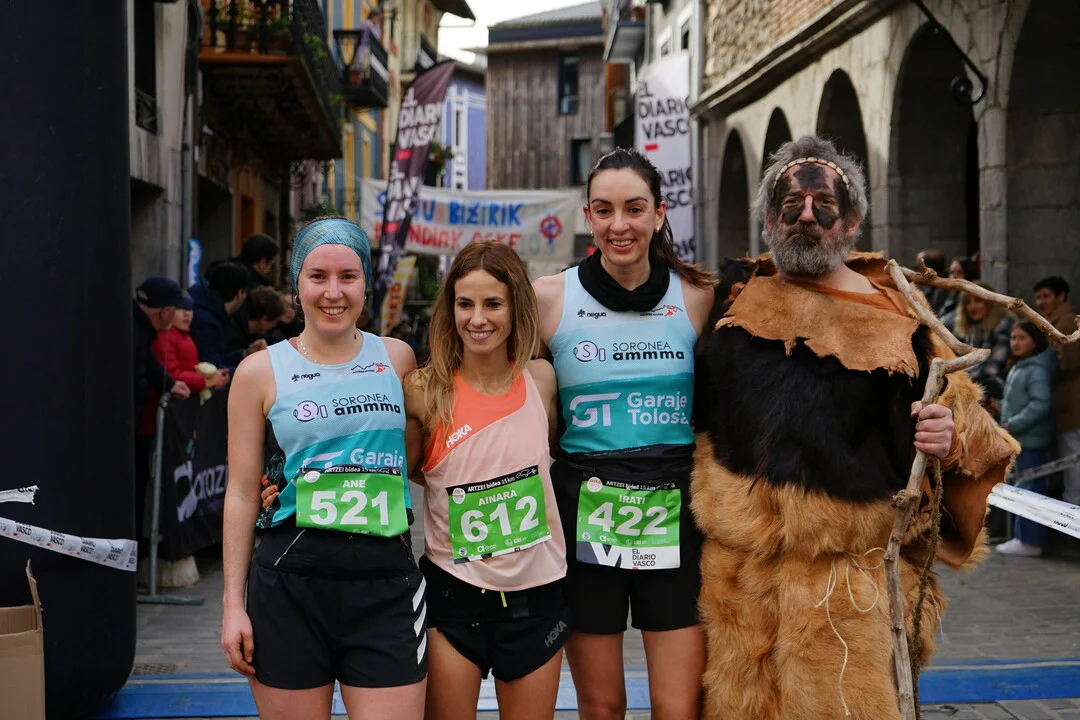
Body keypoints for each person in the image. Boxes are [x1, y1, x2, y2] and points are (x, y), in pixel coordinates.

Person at [692, 135, 1017, 719]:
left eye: (824, 206)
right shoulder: (730, 302)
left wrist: (944, 437)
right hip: (737, 589)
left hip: (847, 593)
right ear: (768, 221)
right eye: (790, 206)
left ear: (851, 223)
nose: (806, 216)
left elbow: (974, 441)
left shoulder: (901, 319)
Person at [533, 147, 715, 720]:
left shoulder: (698, 296)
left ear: (659, 214)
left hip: (676, 514)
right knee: (602, 705)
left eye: (634, 209)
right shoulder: (548, 298)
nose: (620, 225)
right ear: (588, 216)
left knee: (677, 706)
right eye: (605, 210)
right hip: (585, 511)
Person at [221, 217, 425, 720]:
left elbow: (418, 461)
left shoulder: (398, 358)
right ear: (296, 286)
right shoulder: (258, 371)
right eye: (317, 277)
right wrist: (232, 605)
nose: (333, 292)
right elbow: (242, 492)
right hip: (290, 584)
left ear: (365, 283)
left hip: (385, 583)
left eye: (348, 276)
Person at [402, 241, 567, 720]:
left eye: (493, 304)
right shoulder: (423, 390)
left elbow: (548, 456)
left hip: (538, 594)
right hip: (453, 594)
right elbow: (405, 470)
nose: (477, 319)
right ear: (449, 307)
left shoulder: (542, 380)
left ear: (516, 308)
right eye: (465, 304)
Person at [132, 277, 191, 554]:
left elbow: (151, 366)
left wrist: (170, 384)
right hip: (130, 429)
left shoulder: (140, 331)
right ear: (165, 311)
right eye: (175, 309)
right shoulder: (134, 334)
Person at [996, 321, 1055, 557]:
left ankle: (1030, 540)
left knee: (1029, 488)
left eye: (1022, 338)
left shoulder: (1036, 370)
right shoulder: (1020, 367)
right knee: (1022, 486)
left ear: (1035, 341)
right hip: (1020, 440)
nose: (1015, 343)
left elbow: (1040, 405)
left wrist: (1012, 424)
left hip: (1030, 440)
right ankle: (1022, 537)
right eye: (1013, 338)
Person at [1034, 276, 1080, 506]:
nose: (1041, 302)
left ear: (1061, 297)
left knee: (1073, 460)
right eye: (1038, 297)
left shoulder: (1065, 323)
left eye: (1046, 296)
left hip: (1071, 404)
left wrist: (1041, 368)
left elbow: (1068, 363)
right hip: (1066, 404)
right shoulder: (1052, 322)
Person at [953, 281, 1015, 415]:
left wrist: (959, 375)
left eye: (977, 301)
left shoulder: (1004, 324)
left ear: (990, 302)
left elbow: (993, 367)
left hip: (1003, 392)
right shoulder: (974, 329)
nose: (972, 307)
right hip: (981, 386)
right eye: (968, 303)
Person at [190, 261, 253, 374]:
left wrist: (244, 354)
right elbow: (213, 369)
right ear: (240, 293)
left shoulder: (211, 308)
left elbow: (218, 356)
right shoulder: (206, 322)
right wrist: (248, 373)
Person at [228, 285, 285, 357]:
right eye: (275, 322)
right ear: (264, 319)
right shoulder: (229, 329)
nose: (274, 325)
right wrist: (245, 353)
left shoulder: (258, 336)